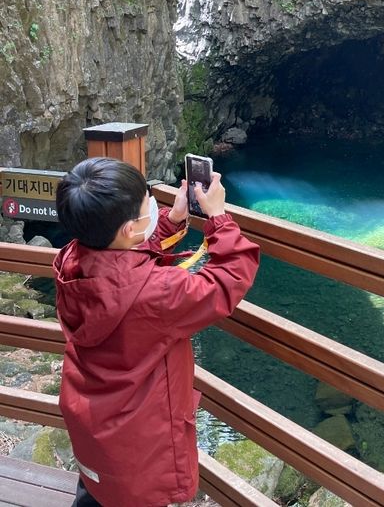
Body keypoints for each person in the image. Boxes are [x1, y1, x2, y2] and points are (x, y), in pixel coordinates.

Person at [53, 157, 260, 507]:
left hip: (93, 416)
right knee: (136, 492)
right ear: (130, 229)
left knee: (100, 488)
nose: (153, 202)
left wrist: (171, 220)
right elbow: (229, 280)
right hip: (138, 432)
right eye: (148, 200)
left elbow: (119, 264)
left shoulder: (70, 259)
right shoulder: (158, 292)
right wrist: (219, 218)